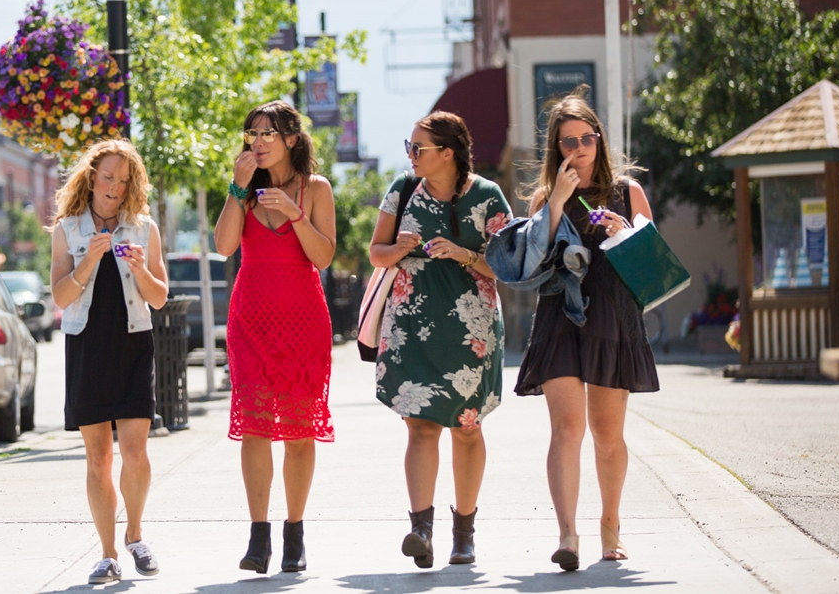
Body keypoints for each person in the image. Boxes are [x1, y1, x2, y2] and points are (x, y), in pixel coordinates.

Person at [513, 89, 659, 570]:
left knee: (607, 434)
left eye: (586, 139)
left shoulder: (628, 192)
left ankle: (610, 525)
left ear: (599, 139)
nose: (578, 149)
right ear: (555, 148)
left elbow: (654, 268)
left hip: (613, 319)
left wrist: (625, 233)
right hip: (560, 317)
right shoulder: (546, 195)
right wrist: (556, 201)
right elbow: (531, 261)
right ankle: (567, 535)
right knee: (567, 428)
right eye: (567, 141)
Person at [368, 112, 511, 568]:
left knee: (467, 428)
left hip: (470, 330)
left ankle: (464, 533)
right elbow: (376, 253)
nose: (411, 155)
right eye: (409, 146)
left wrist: (463, 253)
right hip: (410, 325)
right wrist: (400, 248)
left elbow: (505, 265)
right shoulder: (403, 189)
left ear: (447, 153)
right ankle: (421, 529)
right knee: (420, 425)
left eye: (419, 148)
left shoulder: (487, 195)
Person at [214, 100, 336, 575]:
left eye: (268, 133)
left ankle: (295, 534)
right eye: (252, 134)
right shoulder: (244, 192)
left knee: (300, 432)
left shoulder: (316, 188)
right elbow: (224, 246)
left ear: (291, 139)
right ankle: (258, 536)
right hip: (251, 321)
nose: (258, 142)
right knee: (256, 427)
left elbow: (323, 257)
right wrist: (236, 186)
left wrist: (294, 213)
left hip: (303, 321)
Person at [49, 139, 170, 586]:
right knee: (97, 457)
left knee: (135, 452)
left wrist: (140, 270)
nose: (115, 187)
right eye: (108, 178)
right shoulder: (67, 230)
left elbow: (160, 297)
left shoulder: (144, 228)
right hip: (87, 346)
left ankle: (135, 535)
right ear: (91, 178)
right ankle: (107, 554)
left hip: (133, 344)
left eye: (123, 180)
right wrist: (88, 263)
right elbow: (60, 296)